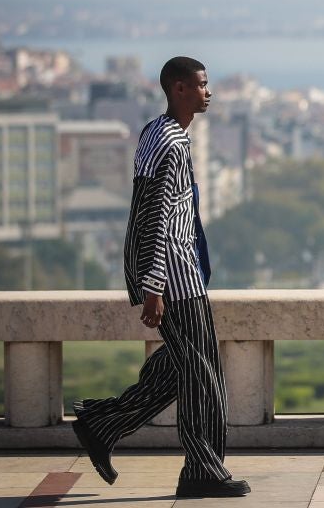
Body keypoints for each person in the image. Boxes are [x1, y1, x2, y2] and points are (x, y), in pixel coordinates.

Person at [72, 56, 250, 498]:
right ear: (178, 89)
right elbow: (154, 220)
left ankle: (101, 423)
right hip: (174, 277)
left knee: (178, 368)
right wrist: (154, 288)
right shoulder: (170, 142)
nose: (209, 92)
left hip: (179, 272)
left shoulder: (162, 133)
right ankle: (202, 471)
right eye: (202, 85)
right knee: (202, 373)